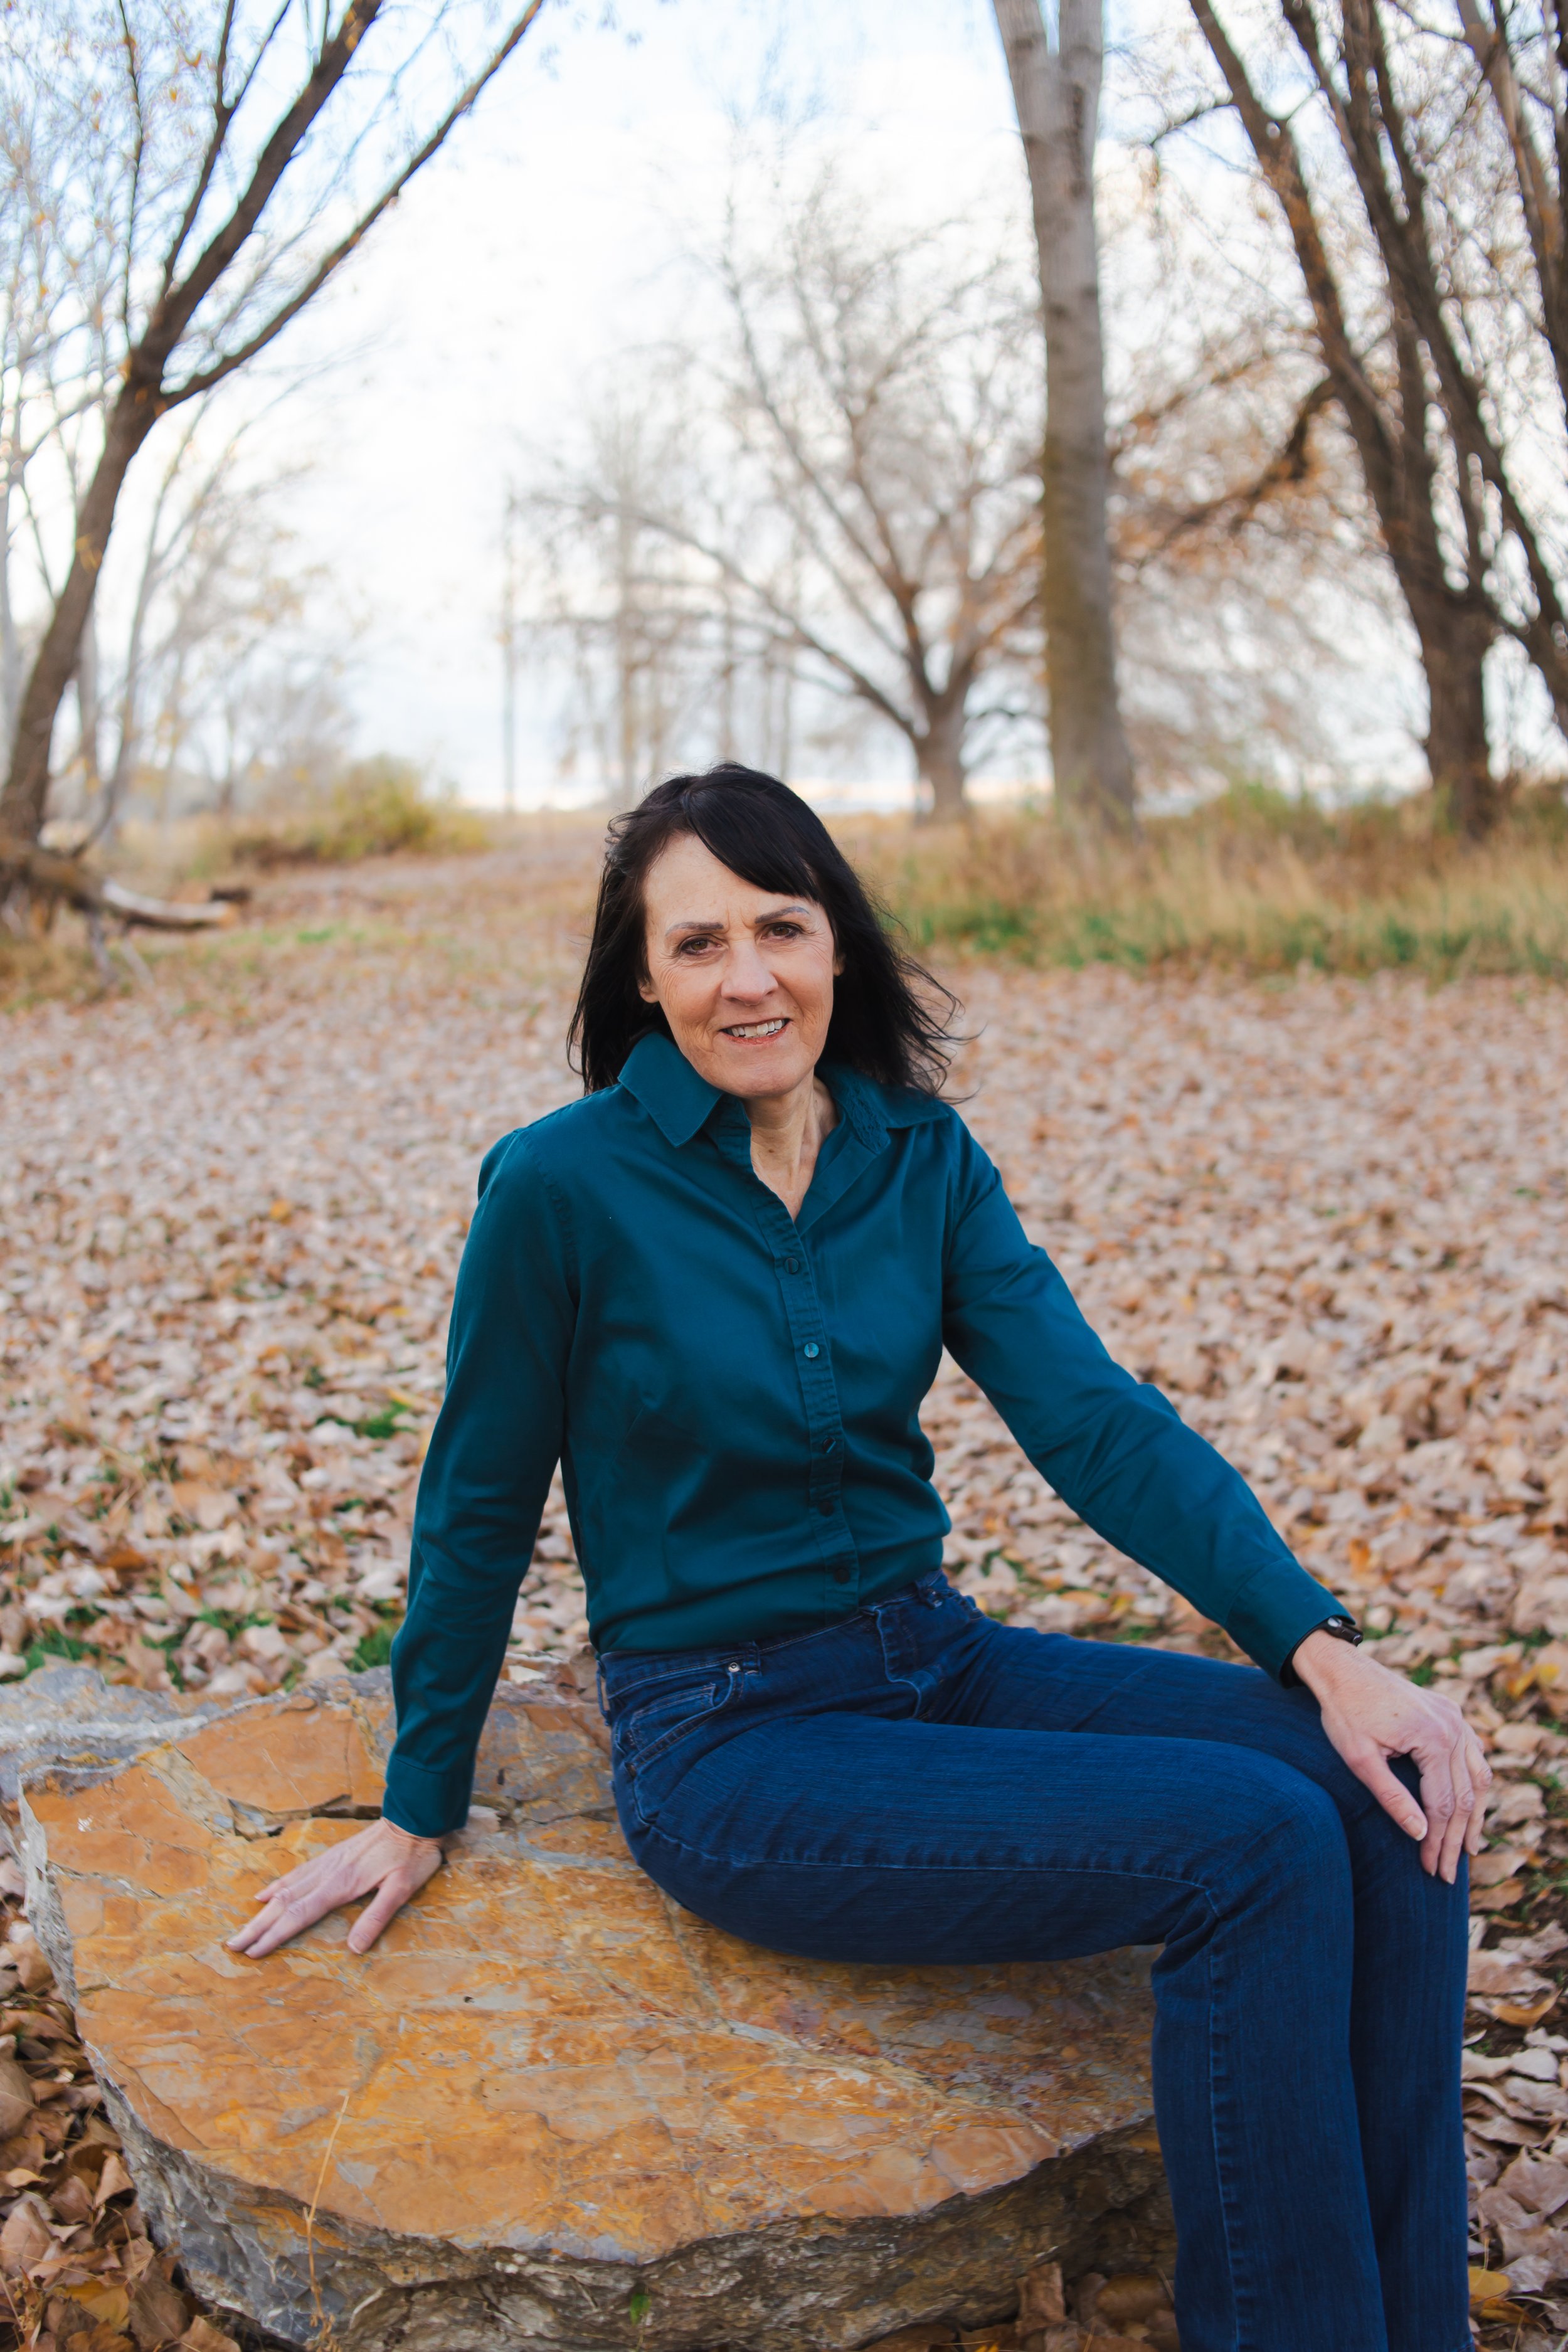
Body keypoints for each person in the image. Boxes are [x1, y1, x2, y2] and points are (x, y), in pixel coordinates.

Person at [231, 764, 1485, 2352]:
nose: (746, 975)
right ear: (640, 975)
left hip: (937, 1662)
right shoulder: (559, 1187)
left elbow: (1091, 1420)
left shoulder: (917, 1157)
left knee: (1389, 1796)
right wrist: (420, 1803)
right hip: (732, 1740)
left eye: (780, 926)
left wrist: (1323, 1650)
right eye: (697, 944)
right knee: (1251, 1838)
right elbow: (475, 1503)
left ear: (837, 944)